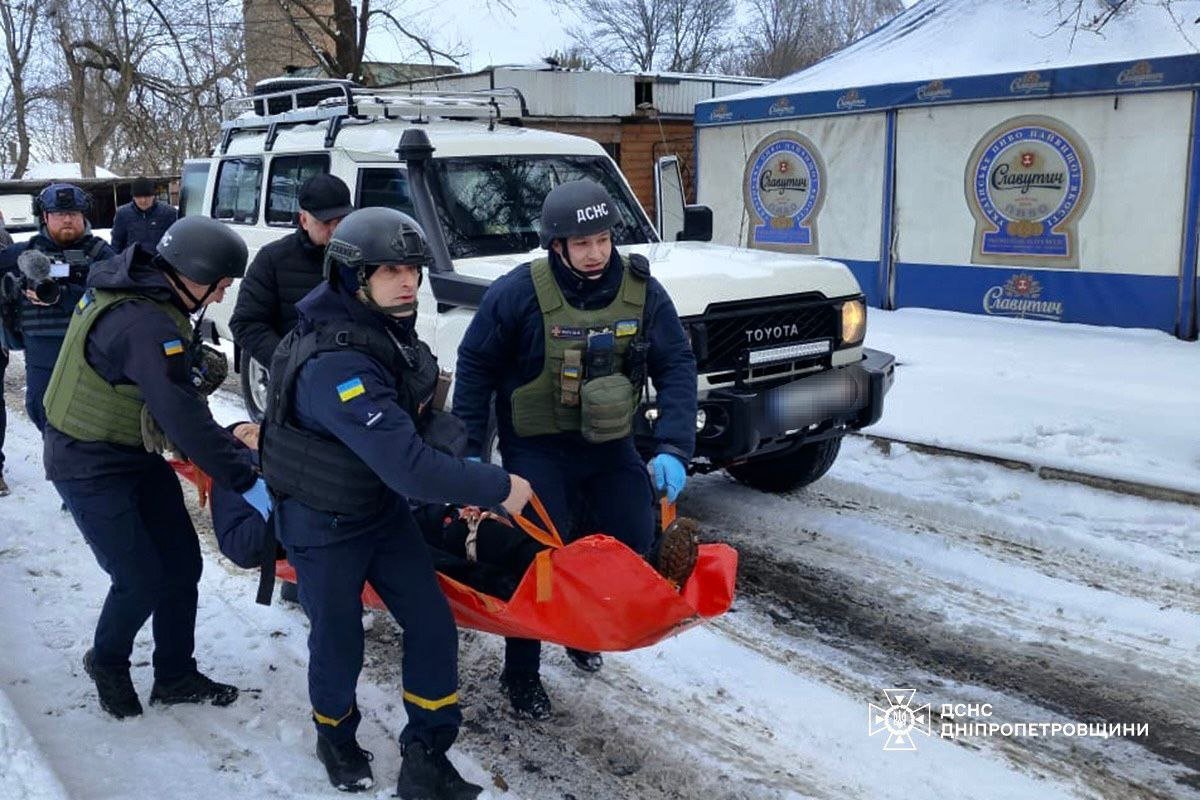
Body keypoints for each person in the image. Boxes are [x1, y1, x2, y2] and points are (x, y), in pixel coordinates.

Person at [259, 206, 532, 797]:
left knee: (432, 623)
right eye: (390, 271)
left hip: (378, 510)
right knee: (338, 636)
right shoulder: (334, 363)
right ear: (353, 277)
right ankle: (335, 735)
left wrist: (443, 439)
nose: (407, 281)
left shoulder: (383, 330)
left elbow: (416, 420)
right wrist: (495, 486)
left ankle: (426, 751)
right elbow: (409, 468)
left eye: (412, 269)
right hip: (322, 520)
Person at [453, 179, 699, 719]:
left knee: (630, 539)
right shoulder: (518, 292)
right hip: (538, 450)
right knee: (540, 557)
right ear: (557, 245)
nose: (595, 254)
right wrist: (468, 452)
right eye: (581, 243)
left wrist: (675, 448)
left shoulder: (642, 292)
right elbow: (475, 367)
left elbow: (677, 365)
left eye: (603, 240)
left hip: (611, 446)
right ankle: (521, 670)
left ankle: (584, 629)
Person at [41, 215, 270, 720]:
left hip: (131, 453)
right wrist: (245, 476)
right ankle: (107, 662)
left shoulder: (148, 290)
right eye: (220, 285)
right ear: (193, 272)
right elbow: (183, 418)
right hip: (87, 463)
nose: (219, 295)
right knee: (138, 576)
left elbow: (175, 394)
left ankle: (175, 674)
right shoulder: (142, 322)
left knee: (182, 564)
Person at [0, 183, 115, 433]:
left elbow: (120, 297)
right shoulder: (24, 253)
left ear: (83, 216)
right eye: (59, 214)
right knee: (43, 410)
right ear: (45, 216)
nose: (67, 220)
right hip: (42, 349)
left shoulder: (101, 254)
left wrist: (63, 297)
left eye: (73, 214)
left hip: (91, 347)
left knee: (92, 416)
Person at [230, 173, 353, 375]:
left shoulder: (363, 257)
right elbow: (246, 323)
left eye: (341, 220)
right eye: (326, 222)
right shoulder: (273, 259)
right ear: (304, 220)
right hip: (298, 380)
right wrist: (291, 364)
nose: (334, 229)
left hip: (354, 373)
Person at [110, 176, 177, 253]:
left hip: (159, 262)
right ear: (133, 196)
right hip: (132, 262)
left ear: (153, 195)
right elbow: (116, 243)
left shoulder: (168, 213)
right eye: (139, 196)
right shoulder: (122, 214)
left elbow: (175, 241)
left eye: (147, 196)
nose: (143, 200)